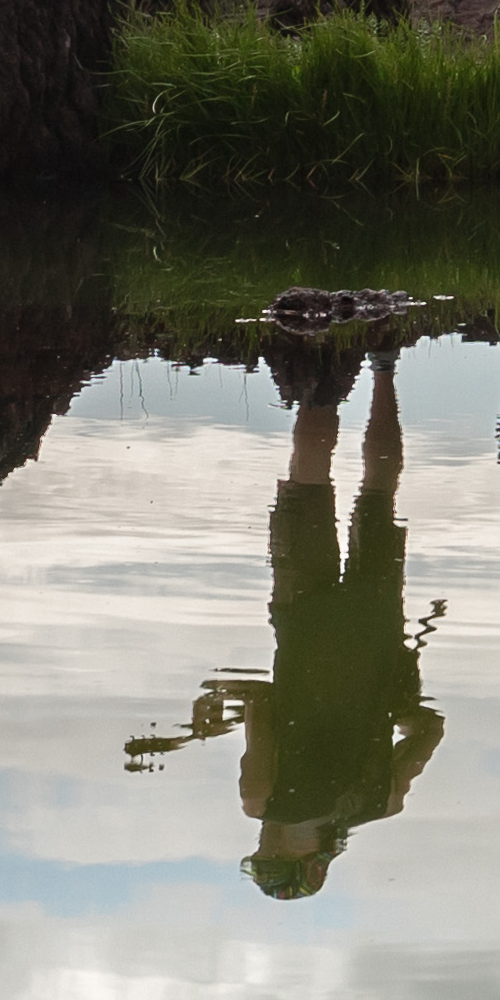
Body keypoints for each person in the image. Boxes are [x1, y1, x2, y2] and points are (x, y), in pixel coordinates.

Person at [134, 338, 446, 899]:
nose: (262, 842)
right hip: (304, 617)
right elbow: (263, 703)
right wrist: (219, 692)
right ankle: (321, 357)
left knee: (378, 493)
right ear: (305, 860)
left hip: (374, 630)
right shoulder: (262, 801)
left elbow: (429, 727)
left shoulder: (382, 801)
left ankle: (381, 366)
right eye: (270, 855)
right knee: (309, 480)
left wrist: (392, 696)